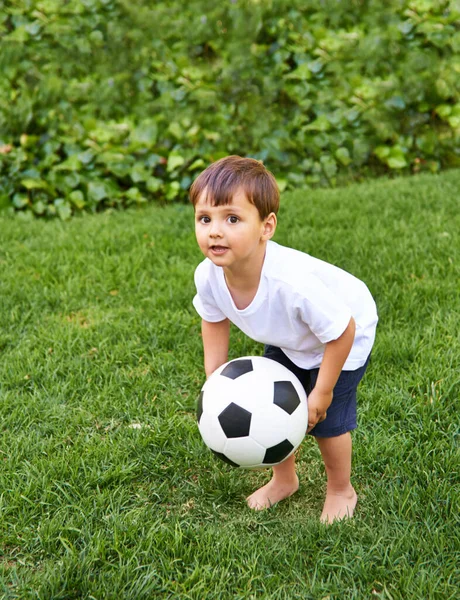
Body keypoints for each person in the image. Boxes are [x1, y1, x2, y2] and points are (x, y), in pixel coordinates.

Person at [190, 155, 378, 523]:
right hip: (290, 335)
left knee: (327, 422)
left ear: (266, 226)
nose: (214, 230)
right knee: (271, 408)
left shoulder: (291, 283)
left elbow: (342, 331)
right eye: (204, 218)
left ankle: (341, 488)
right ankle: (284, 479)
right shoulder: (208, 275)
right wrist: (214, 377)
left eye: (232, 218)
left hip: (344, 335)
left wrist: (320, 393)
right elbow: (213, 319)